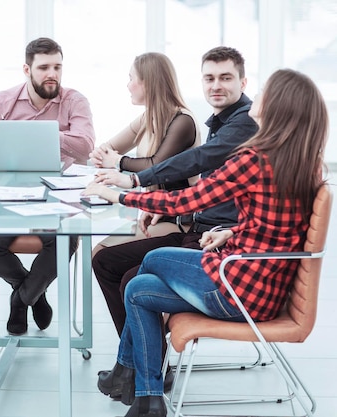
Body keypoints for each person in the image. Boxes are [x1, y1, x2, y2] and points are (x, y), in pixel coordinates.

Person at [83, 68, 328, 417]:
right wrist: (232, 233)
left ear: (277, 107)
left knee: (152, 260)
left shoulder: (253, 160)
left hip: (237, 289)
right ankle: (147, 398)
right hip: (265, 289)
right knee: (137, 289)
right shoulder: (304, 163)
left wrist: (118, 195)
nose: (254, 98)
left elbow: (185, 201)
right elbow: (279, 228)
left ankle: (132, 376)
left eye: (263, 94)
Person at [93, 46, 259, 401]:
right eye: (209, 78)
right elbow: (205, 192)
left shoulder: (242, 124)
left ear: (243, 82)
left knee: (132, 278)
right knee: (106, 261)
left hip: (212, 241)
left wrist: (134, 185)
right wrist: (172, 210)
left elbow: (195, 163)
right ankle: (139, 367)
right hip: (199, 228)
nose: (216, 85)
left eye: (226, 78)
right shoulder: (222, 123)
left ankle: (141, 371)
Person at [0, 37, 95, 335]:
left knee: (64, 241)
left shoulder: (74, 101)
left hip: (55, 197)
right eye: (44, 67)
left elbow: (85, 147)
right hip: (6, 196)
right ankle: (31, 292)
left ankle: (20, 300)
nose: (51, 73)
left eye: (57, 66)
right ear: (27, 69)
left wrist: (41, 134)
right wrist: (2, 144)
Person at [88, 51, 201, 256]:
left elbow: (156, 166)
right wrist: (100, 154)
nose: (128, 85)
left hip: (179, 223)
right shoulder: (147, 117)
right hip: (153, 213)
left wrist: (118, 161)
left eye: (131, 78)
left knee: (100, 254)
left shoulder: (182, 121)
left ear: (147, 83)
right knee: (99, 252)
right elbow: (110, 147)